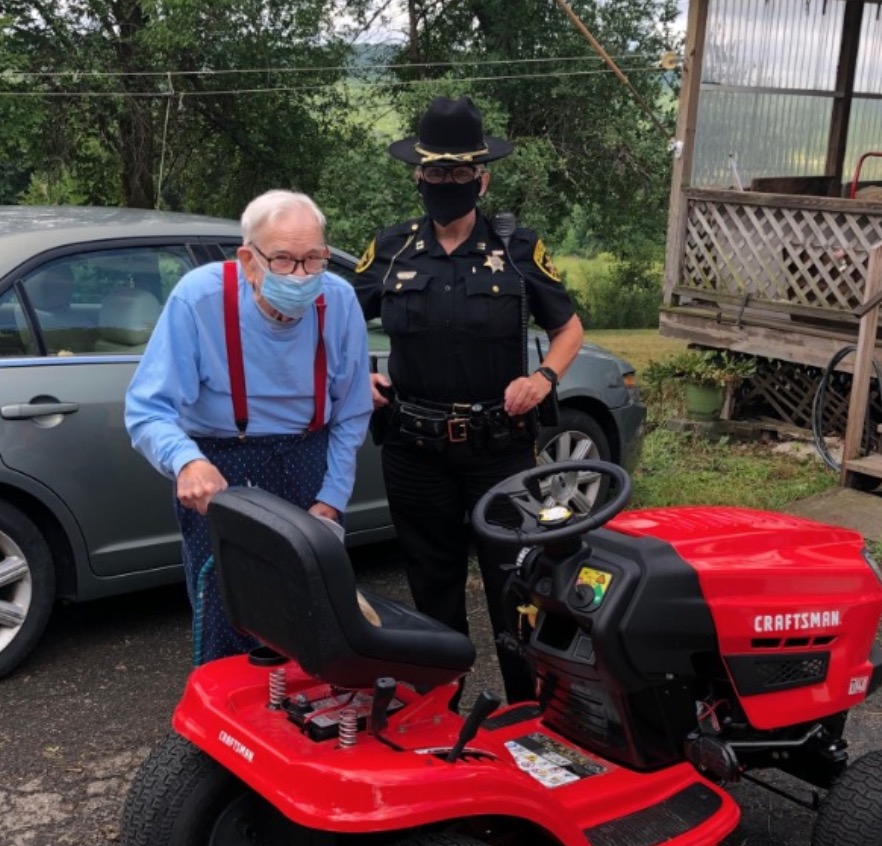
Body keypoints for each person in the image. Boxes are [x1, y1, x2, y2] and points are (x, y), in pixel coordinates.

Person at [352, 95, 584, 704]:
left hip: (498, 451)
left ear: (482, 177)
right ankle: (439, 709)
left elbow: (569, 327)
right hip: (414, 449)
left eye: (459, 173)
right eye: (435, 172)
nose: (446, 183)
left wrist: (545, 380)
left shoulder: (516, 249)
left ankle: (528, 713)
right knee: (433, 590)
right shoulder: (393, 247)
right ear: (418, 176)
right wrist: (353, 374)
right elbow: (338, 318)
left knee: (516, 587)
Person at [125, 189, 372, 663]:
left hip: (306, 458)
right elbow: (146, 408)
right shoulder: (199, 298)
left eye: (313, 259)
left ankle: (302, 721)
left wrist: (331, 499)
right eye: (283, 260)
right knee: (228, 608)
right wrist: (186, 461)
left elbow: (352, 411)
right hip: (222, 463)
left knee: (309, 610)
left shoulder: (339, 302)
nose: (301, 276)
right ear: (248, 259)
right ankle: (226, 724)